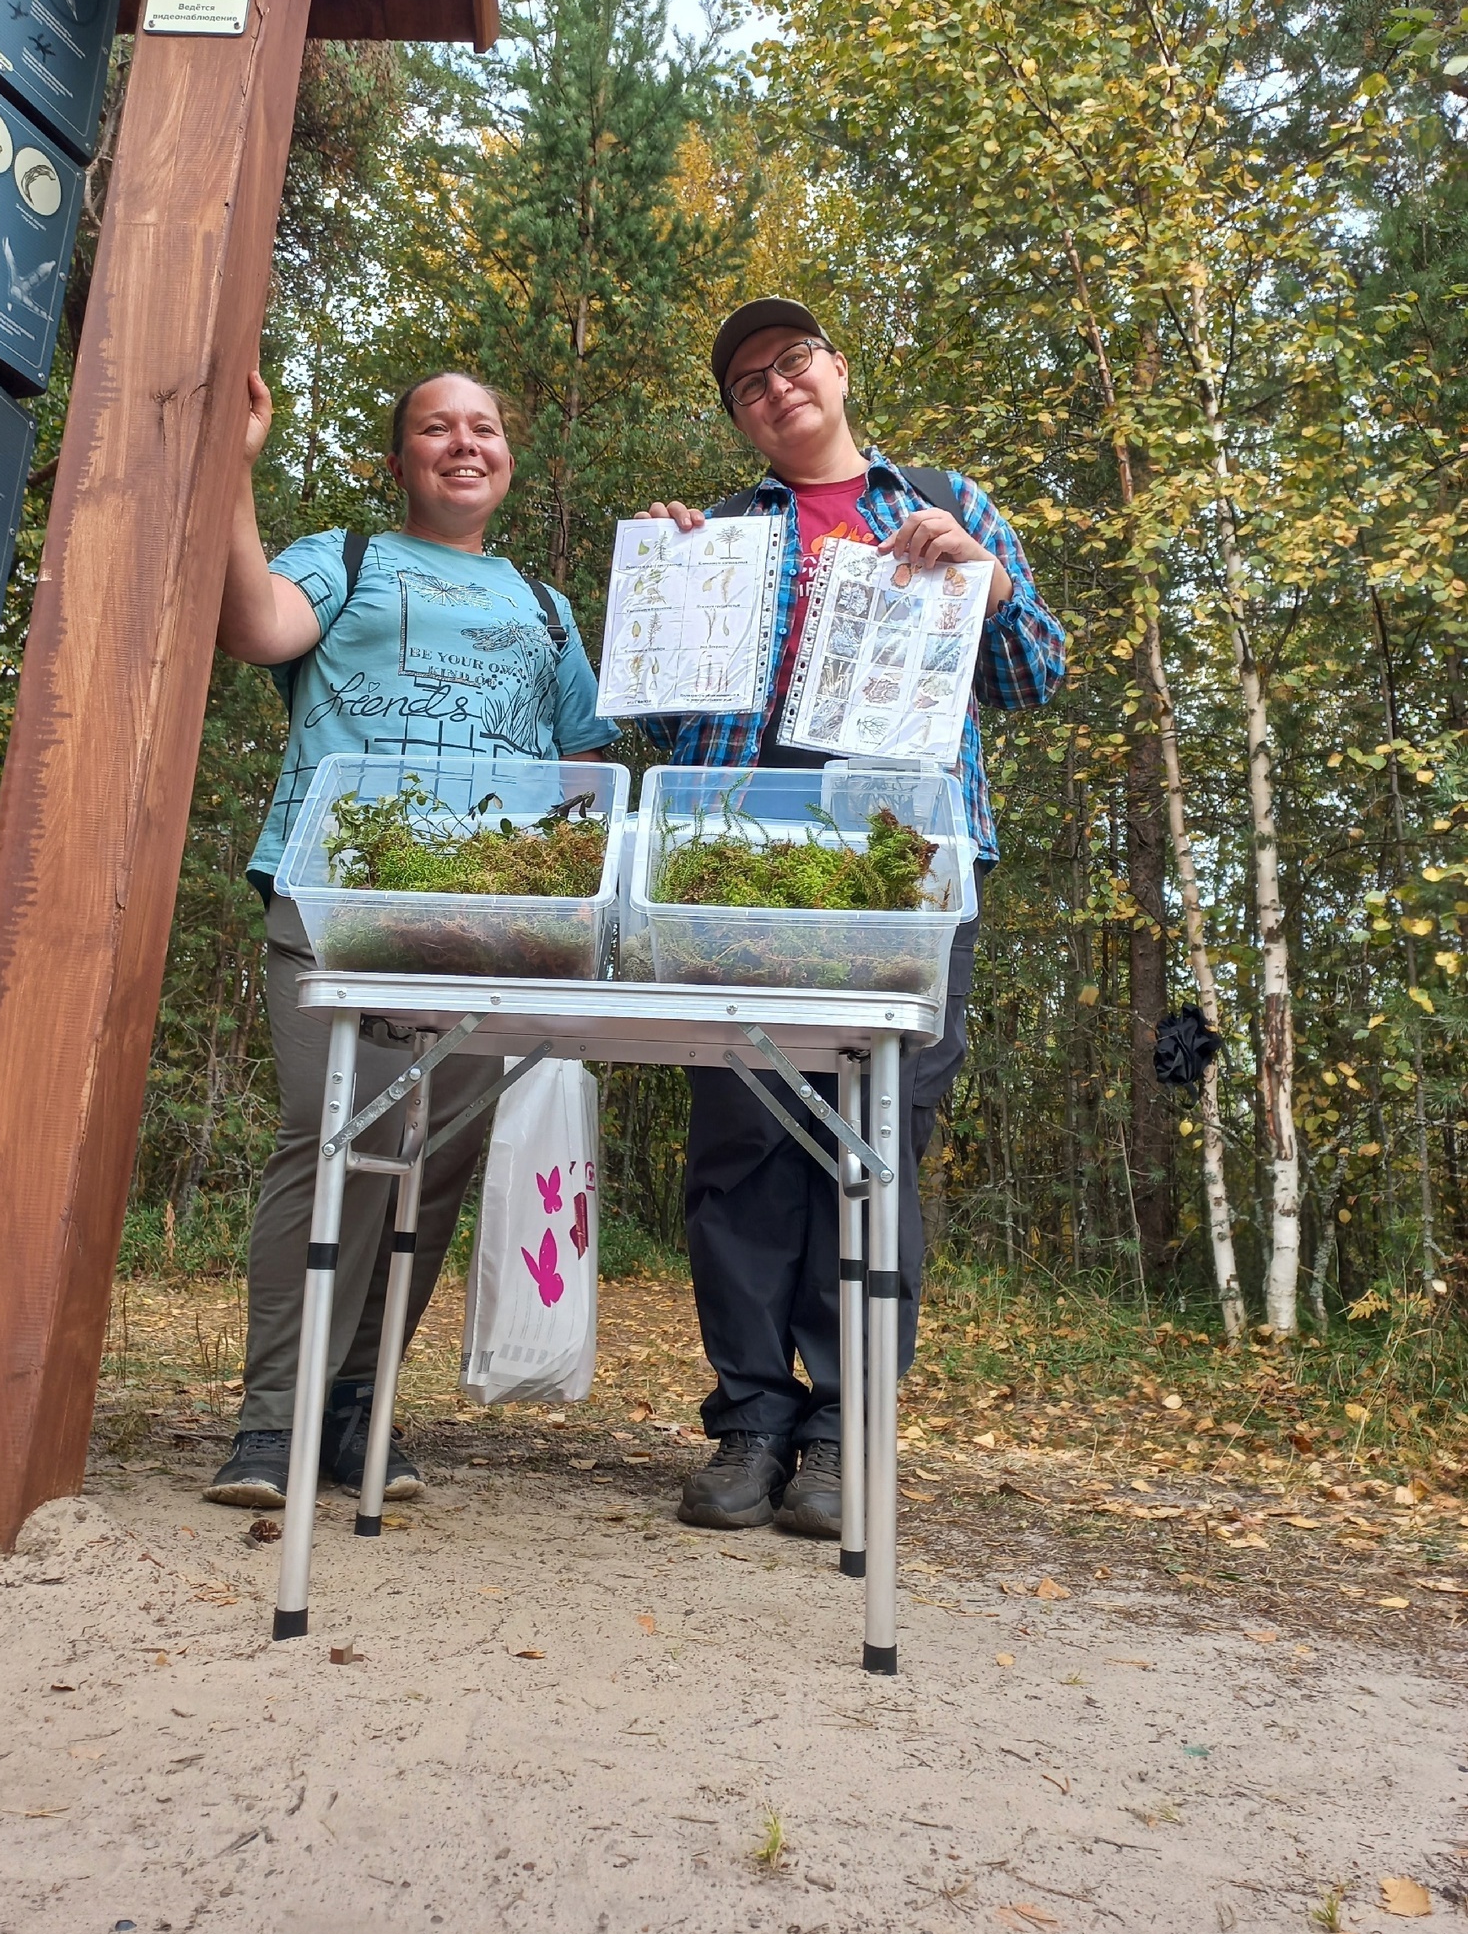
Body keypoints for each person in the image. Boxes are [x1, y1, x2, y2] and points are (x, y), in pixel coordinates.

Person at [639, 298, 1065, 1536]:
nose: (775, 388)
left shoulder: (942, 498)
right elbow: (663, 721)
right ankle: (751, 1421)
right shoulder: (721, 532)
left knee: (873, 1144)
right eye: (747, 384)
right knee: (740, 1147)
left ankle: (841, 1436)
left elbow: (1035, 676)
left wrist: (979, 579)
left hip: (907, 871)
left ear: (838, 370)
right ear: (738, 419)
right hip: (740, 874)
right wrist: (673, 591)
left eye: (792, 363)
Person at [206, 368, 619, 1507]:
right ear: (399, 464)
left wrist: (578, 914)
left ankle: (358, 1413)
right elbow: (253, 626)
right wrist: (234, 466)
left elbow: (584, 764)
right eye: (435, 428)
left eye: (484, 426)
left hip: (496, 920)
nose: (463, 442)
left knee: (432, 1169)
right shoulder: (341, 559)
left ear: (508, 461)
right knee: (326, 1135)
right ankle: (271, 1421)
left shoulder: (546, 605)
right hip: (339, 893)